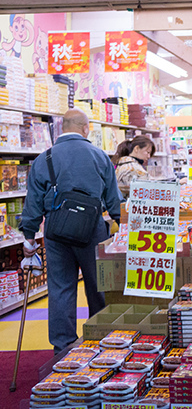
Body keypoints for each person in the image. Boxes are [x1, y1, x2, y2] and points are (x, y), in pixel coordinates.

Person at [20, 109, 121, 353]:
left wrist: (29, 236)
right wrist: (120, 224)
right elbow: (113, 199)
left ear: (61, 128)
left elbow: (32, 201)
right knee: (99, 284)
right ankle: (102, 338)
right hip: (93, 228)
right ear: (86, 129)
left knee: (61, 287)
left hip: (56, 229)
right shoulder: (99, 156)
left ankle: (62, 346)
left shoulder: (44, 158)